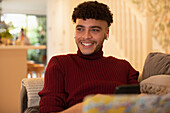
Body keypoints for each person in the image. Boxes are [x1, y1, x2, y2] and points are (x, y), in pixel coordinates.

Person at [38, 1, 139, 113]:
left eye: (94, 30)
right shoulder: (59, 64)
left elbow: (139, 106)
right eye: (80, 29)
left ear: (106, 33)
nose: (86, 36)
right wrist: (88, 107)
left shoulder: (123, 67)